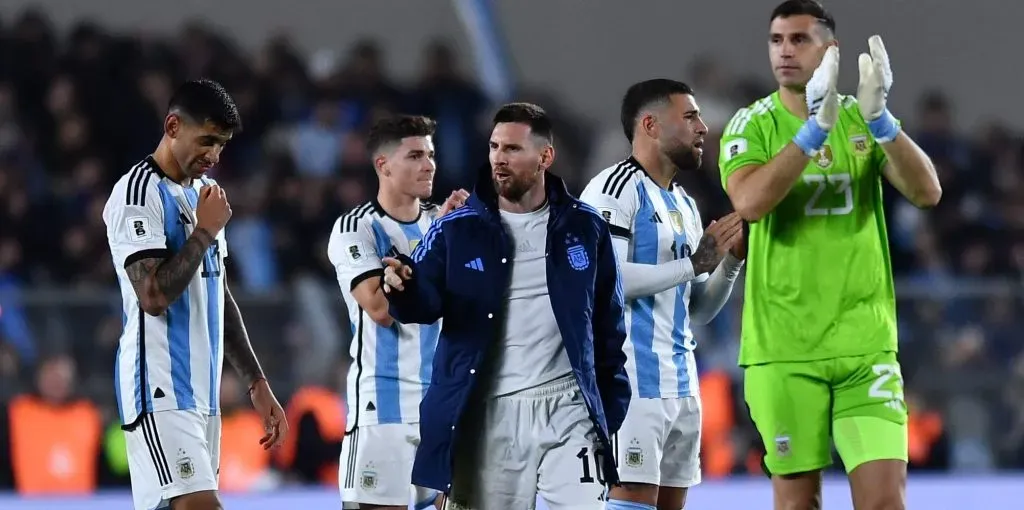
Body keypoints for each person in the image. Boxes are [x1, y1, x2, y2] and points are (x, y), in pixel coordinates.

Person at [718, 1, 942, 509]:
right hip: (784, 348)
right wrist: (813, 132)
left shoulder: (862, 116)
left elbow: (927, 192)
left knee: (885, 502)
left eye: (799, 39)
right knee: (798, 504)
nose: (785, 51)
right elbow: (749, 203)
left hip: (866, 344)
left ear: (831, 50)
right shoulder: (751, 124)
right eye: (777, 40)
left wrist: (882, 121)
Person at [380, 102, 630, 510]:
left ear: (545, 157)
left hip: (568, 407)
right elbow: (420, 303)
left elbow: (609, 323)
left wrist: (610, 406)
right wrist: (402, 288)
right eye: (494, 147)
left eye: (512, 149)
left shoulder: (585, 226)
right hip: (489, 411)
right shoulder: (457, 229)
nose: (499, 158)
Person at [102, 78, 289, 510]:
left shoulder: (201, 197)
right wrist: (205, 231)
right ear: (173, 127)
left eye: (222, 144)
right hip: (160, 388)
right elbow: (152, 295)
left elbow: (218, 296)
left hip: (202, 395)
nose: (214, 155)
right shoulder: (137, 193)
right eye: (206, 140)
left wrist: (257, 383)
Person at [580, 79, 746, 510]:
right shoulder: (613, 189)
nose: (702, 128)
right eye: (690, 117)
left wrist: (731, 261)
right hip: (631, 383)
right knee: (631, 501)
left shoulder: (685, 204)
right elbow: (605, 280)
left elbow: (698, 309)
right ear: (650, 125)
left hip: (682, 384)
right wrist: (692, 265)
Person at [326, 114, 468, 510]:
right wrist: (436, 239)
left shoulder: (446, 222)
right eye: (416, 156)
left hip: (446, 404)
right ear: (383, 165)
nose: (429, 165)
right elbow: (380, 308)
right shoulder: (356, 228)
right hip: (383, 406)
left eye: (431, 155)